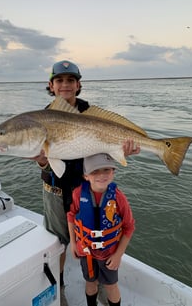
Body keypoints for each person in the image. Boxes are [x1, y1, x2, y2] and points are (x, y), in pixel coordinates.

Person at [32, 60, 139, 289]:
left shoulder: (92, 116)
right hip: (56, 190)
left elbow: (103, 154)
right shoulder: (41, 118)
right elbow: (46, 161)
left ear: (78, 85)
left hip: (89, 189)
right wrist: (42, 162)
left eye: (71, 80)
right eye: (59, 80)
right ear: (51, 85)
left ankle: (97, 284)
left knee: (96, 239)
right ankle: (59, 288)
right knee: (58, 242)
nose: (65, 85)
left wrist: (122, 151)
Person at [67, 153, 135, 306]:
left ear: (113, 172)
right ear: (86, 176)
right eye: (95, 171)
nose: (101, 175)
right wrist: (73, 243)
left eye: (106, 170)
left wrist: (118, 255)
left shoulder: (119, 198)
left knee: (111, 286)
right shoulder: (78, 194)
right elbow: (71, 216)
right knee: (90, 283)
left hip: (109, 254)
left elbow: (129, 227)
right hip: (86, 251)